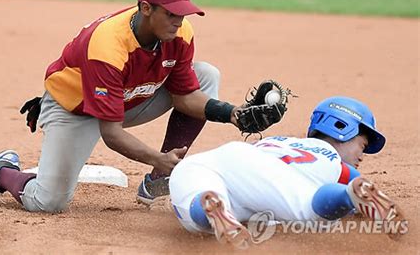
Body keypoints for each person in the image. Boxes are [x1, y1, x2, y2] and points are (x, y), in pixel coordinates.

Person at [0, 0, 284, 212]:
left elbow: (185, 96)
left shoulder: (180, 34)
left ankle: (158, 180)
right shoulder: (108, 45)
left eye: (183, 13)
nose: (179, 21)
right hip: (76, 110)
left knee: (206, 75)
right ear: (145, 9)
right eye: (171, 13)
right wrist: (157, 156)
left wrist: (234, 115)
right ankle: (2, 173)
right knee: (48, 201)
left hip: (128, 98)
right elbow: (110, 132)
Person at [169, 96, 407, 249]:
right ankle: (346, 195)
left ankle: (212, 205)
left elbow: (245, 173)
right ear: (343, 130)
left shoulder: (281, 141)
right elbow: (364, 190)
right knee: (309, 210)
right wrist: (353, 197)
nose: (361, 157)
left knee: (196, 208)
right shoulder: (331, 159)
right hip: (268, 176)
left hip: (211, 162)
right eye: (362, 146)